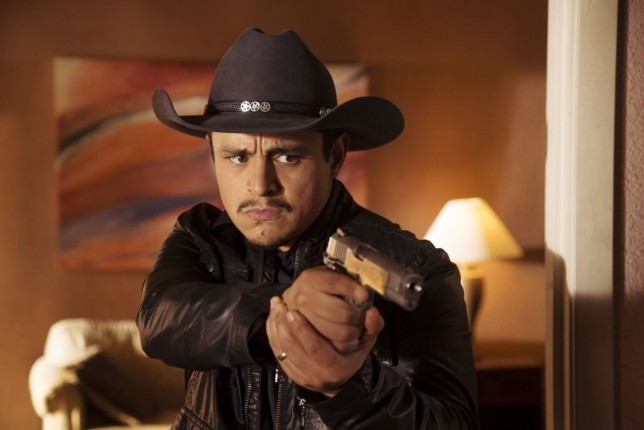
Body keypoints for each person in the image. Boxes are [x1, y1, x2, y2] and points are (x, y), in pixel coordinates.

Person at [136, 28, 478, 429]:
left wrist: (349, 390)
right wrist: (286, 309)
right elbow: (158, 320)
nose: (260, 185)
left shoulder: (418, 268)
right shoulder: (200, 235)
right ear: (212, 156)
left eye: (287, 156)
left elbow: (453, 424)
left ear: (335, 156)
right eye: (238, 157)